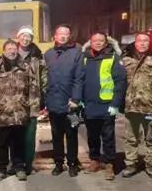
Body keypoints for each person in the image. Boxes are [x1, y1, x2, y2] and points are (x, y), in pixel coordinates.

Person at [121, 32, 152, 178]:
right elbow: (120, 81)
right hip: (131, 105)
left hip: (150, 106)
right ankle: (131, 163)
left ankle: (150, 164)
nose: (142, 43)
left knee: (151, 138)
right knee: (131, 137)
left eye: (145, 41)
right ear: (135, 43)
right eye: (139, 41)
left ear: (150, 42)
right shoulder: (126, 58)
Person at [0, 39, 40, 182]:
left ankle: (19, 167)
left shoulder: (25, 65)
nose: (12, 51)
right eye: (9, 49)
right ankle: (1, 169)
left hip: (20, 111)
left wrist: (33, 109)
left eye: (14, 48)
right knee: (3, 142)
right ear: (3, 50)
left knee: (19, 141)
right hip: (4, 112)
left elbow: (33, 88)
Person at [82, 32, 127, 181]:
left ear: (106, 43)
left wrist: (115, 104)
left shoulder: (113, 58)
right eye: (95, 40)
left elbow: (120, 81)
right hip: (89, 104)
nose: (98, 43)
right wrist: (79, 100)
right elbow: (79, 79)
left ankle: (109, 163)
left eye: (101, 41)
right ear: (90, 42)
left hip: (106, 104)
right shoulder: (84, 58)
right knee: (92, 135)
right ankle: (94, 160)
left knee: (108, 136)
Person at [45, 24, 85, 177]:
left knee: (71, 134)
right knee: (56, 135)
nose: (62, 36)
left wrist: (75, 98)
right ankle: (58, 163)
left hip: (70, 103)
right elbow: (44, 78)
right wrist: (45, 101)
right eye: (60, 33)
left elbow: (79, 78)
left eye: (66, 34)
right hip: (53, 102)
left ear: (69, 36)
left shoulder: (77, 53)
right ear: (55, 36)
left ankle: (73, 163)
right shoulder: (48, 54)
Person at [15, 26, 47, 175]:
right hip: (14, 102)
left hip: (33, 100)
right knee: (16, 134)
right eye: (23, 36)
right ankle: (17, 164)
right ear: (18, 37)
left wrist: (44, 98)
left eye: (28, 36)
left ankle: (28, 163)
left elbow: (44, 77)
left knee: (30, 134)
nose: (25, 39)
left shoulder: (38, 56)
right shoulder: (11, 54)